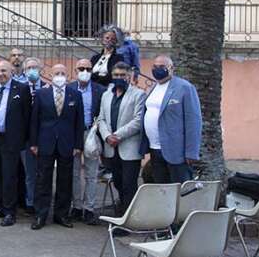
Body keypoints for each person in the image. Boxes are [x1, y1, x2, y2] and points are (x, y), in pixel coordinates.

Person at [30, 64, 85, 230]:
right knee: (43, 180)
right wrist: (34, 143)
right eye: (56, 73)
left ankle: (61, 215)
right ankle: (41, 215)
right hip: (45, 142)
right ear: (50, 76)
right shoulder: (41, 94)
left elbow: (79, 122)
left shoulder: (75, 95)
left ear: (67, 76)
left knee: (65, 181)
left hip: (67, 144)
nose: (59, 76)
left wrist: (78, 145)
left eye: (62, 73)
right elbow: (34, 121)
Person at [0, 61, 32, 227]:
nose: (0, 74)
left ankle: (10, 211)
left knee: (10, 176)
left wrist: (25, 139)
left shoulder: (22, 89)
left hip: (11, 140)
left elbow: (27, 116)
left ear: (11, 71)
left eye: (3, 70)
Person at [142, 55, 202, 184]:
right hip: (155, 149)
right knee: (162, 189)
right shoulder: (154, 88)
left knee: (180, 191)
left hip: (177, 152)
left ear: (171, 68)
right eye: (155, 66)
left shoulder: (184, 88)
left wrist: (191, 152)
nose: (157, 69)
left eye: (162, 67)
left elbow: (193, 121)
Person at [97, 62, 145, 216]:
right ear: (112, 76)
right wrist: (106, 136)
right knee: (117, 182)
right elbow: (101, 119)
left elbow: (138, 120)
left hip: (129, 148)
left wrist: (118, 136)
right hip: (111, 148)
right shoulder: (106, 95)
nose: (119, 78)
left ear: (129, 76)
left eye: (122, 75)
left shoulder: (138, 94)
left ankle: (128, 219)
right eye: (116, 75)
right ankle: (123, 213)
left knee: (129, 185)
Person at [67, 59, 105, 224]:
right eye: (81, 68)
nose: (84, 71)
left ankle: (89, 209)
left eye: (88, 69)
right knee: (74, 174)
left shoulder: (100, 90)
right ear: (75, 71)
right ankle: (76, 207)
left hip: (91, 133)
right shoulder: (68, 88)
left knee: (91, 174)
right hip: (73, 134)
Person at [21, 57, 49, 214]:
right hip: (25, 139)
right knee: (29, 174)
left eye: (34, 67)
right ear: (24, 71)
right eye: (28, 68)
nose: (31, 70)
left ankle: (43, 202)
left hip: (44, 138)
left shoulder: (47, 89)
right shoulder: (21, 88)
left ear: (40, 70)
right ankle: (30, 202)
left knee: (44, 173)